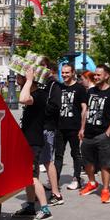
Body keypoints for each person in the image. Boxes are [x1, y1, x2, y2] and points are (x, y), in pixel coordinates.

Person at [14, 66, 53, 220]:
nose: (16, 80)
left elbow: (22, 99)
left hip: (34, 142)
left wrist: (29, 80)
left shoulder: (40, 95)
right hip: (28, 140)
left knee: (32, 175)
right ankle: (30, 205)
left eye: (19, 77)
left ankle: (45, 210)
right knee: (27, 175)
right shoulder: (35, 93)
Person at [79, 64, 110, 204]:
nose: (96, 77)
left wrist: (108, 133)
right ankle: (92, 183)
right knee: (87, 162)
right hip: (88, 134)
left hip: (103, 135)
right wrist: (82, 128)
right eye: (95, 75)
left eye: (99, 75)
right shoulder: (91, 91)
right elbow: (86, 111)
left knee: (105, 164)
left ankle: (105, 190)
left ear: (107, 76)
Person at [54, 64, 87, 191]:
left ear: (73, 73)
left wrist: (82, 128)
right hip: (60, 127)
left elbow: (84, 108)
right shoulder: (59, 87)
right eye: (62, 72)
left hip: (74, 127)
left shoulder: (79, 88)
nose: (64, 75)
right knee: (58, 155)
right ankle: (54, 180)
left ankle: (76, 179)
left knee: (75, 154)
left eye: (67, 72)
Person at [37, 58, 64, 206]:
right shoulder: (38, 84)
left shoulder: (54, 85)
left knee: (47, 160)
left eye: (41, 66)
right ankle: (36, 192)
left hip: (47, 126)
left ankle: (56, 193)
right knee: (35, 162)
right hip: (36, 126)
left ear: (47, 67)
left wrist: (39, 109)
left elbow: (54, 106)